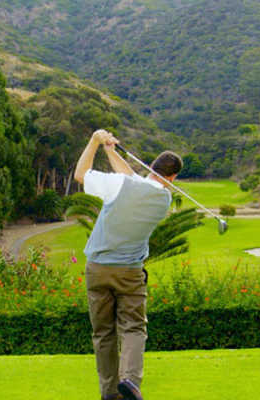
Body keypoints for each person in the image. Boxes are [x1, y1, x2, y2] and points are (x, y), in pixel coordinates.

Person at [74, 129, 183, 400]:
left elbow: (81, 174)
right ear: (173, 178)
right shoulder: (164, 200)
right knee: (133, 328)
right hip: (130, 273)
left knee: (103, 333)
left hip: (98, 269)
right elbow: (132, 180)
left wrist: (94, 142)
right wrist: (111, 151)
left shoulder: (121, 185)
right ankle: (130, 381)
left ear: (152, 167)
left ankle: (110, 393)